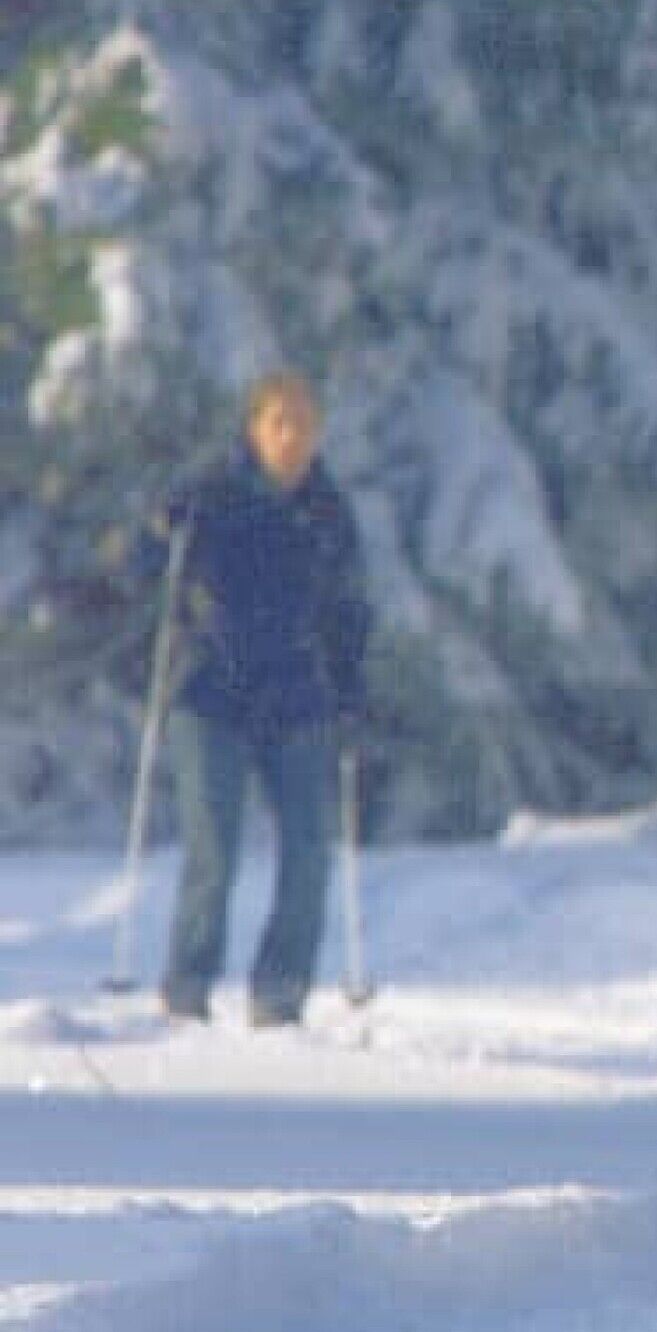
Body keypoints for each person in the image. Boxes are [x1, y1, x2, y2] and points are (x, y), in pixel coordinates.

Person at [148, 370, 372, 1025]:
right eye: (280, 423)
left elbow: (349, 610)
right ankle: (188, 990)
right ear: (255, 428)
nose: (292, 437)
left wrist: (351, 690)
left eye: (304, 424)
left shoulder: (327, 511)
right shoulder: (212, 492)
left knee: (309, 849)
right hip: (211, 691)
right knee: (214, 849)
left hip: (295, 695)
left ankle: (280, 994)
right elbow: (146, 566)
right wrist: (162, 528)